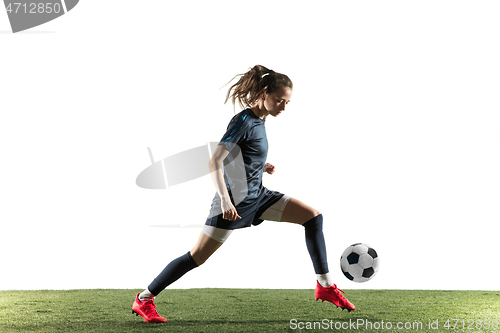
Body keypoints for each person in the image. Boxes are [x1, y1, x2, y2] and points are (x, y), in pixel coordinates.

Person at [132, 65, 355, 323]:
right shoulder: (244, 121)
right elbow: (215, 161)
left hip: (258, 197)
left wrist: (262, 166)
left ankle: (325, 286)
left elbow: (243, 154)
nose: (283, 106)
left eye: (287, 101)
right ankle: (144, 299)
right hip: (233, 204)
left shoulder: (261, 120)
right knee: (196, 257)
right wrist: (225, 201)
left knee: (313, 217)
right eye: (280, 100)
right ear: (263, 93)